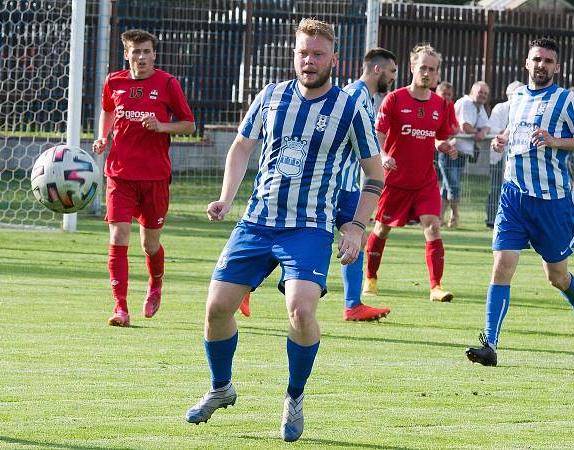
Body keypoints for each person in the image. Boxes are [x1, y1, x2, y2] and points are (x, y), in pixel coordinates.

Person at [184, 19, 384, 442]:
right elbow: (241, 146)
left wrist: (358, 227)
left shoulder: (350, 109)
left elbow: (374, 175)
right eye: (302, 53)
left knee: (302, 308)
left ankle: (294, 396)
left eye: (316, 54)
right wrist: (226, 197)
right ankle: (222, 387)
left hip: (308, 227)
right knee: (217, 307)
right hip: (257, 221)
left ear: (334, 59)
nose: (308, 61)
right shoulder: (271, 96)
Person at [465, 38, 574, 367]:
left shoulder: (566, 100)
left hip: (551, 203)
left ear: (556, 66)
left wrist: (556, 141)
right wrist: (502, 140)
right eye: (536, 59)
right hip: (513, 197)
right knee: (502, 265)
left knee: (556, 276)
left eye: (548, 61)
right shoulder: (517, 97)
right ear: (527, 62)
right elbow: (515, 131)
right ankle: (490, 344)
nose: (541, 65)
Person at [239, 47, 398, 322]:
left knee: (354, 236)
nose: (394, 77)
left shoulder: (366, 98)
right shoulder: (355, 95)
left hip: (346, 185)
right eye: (392, 71)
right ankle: (351, 304)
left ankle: (352, 303)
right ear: (377, 69)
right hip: (337, 186)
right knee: (335, 235)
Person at [92, 29, 196, 327]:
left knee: (150, 245)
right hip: (119, 174)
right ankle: (120, 307)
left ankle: (155, 285)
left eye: (146, 51)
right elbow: (108, 110)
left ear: (154, 54)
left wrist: (162, 126)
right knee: (117, 236)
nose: (141, 57)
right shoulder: (114, 81)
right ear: (127, 54)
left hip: (154, 177)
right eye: (135, 52)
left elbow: (188, 125)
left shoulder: (167, 83)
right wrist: (103, 137)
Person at [363, 43, 459, 302]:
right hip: (395, 181)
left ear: (437, 74)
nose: (427, 73)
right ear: (413, 68)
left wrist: (444, 145)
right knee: (381, 229)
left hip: (425, 180)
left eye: (433, 69)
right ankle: (370, 278)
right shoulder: (394, 99)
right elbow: (378, 135)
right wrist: (384, 156)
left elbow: (437, 137)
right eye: (423, 67)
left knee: (433, 227)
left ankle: (436, 286)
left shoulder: (441, 104)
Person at [443, 81, 491, 228]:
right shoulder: (466, 103)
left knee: (447, 187)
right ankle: (454, 217)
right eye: (480, 92)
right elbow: (465, 126)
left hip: (462, 152)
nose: (483, 95)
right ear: (472, 92)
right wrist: (479, 133)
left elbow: (487, 126)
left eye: (485, 93)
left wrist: (483, 132)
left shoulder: (480, 106)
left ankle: (438, 218)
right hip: (451, 150)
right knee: (454, 186)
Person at [484, 81, 525, 228]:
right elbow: (493, 129)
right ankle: (491, 218)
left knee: (515, 189)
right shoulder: (500, 108)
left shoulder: (525, 109)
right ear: (509, 95)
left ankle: (512, 220)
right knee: (495, 187)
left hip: (516, 156)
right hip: (499, 156)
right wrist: (506, 135)